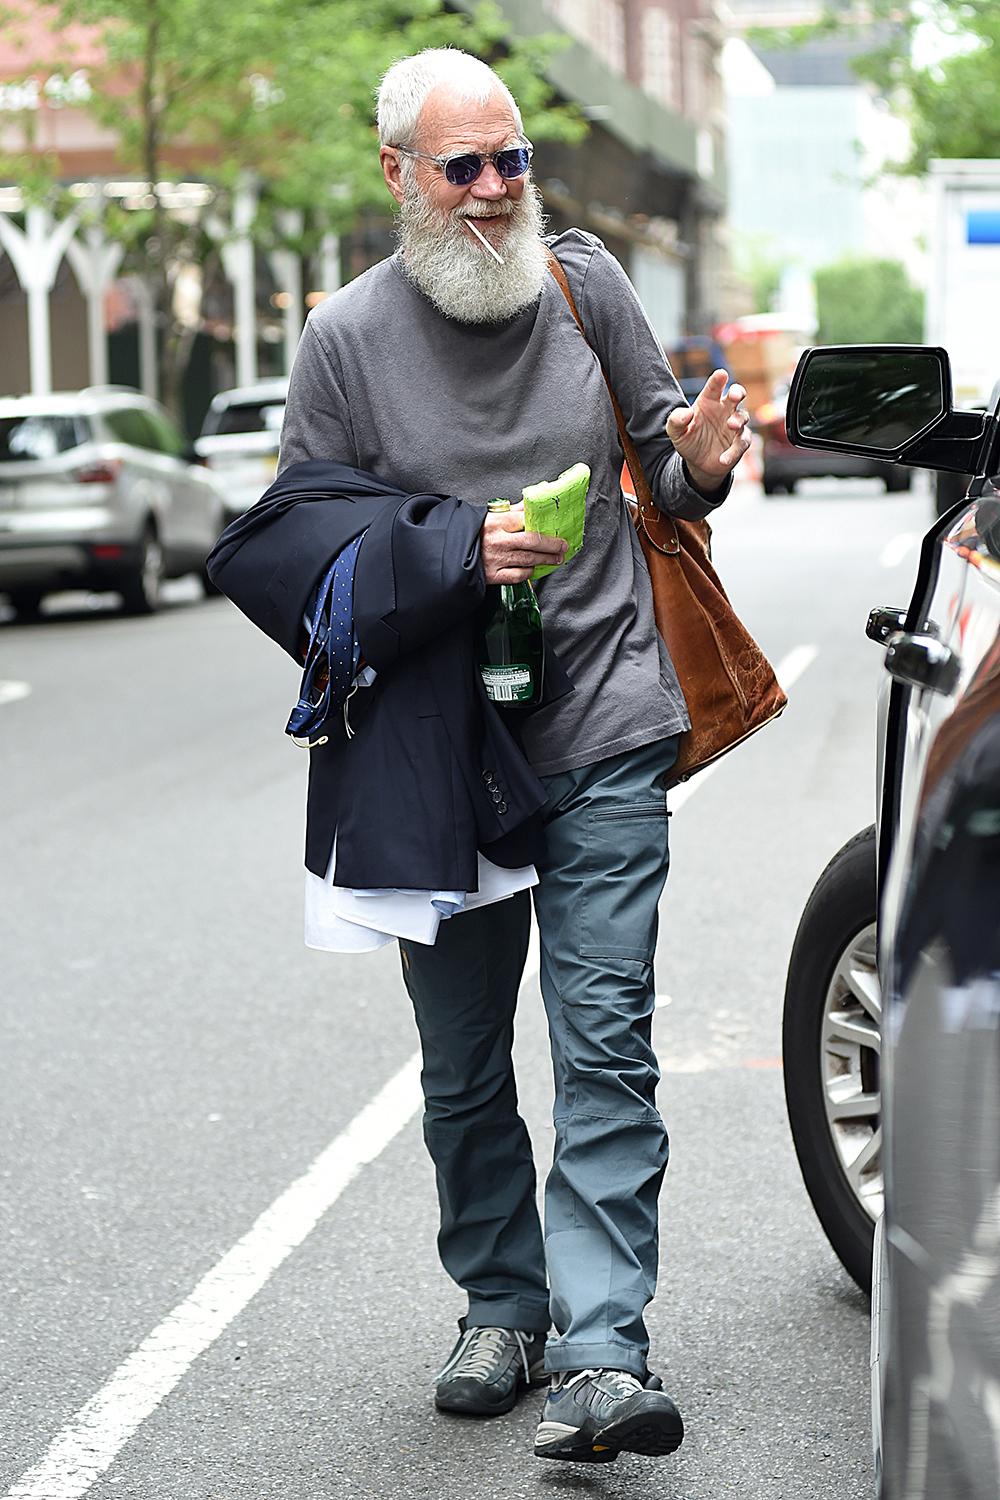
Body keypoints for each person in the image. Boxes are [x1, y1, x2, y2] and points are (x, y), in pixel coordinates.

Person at [278, 46, 750, 1465]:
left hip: (605, 718)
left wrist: (706, 460)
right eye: (462, 167)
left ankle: (605, 1351)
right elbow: (305, 557)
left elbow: (661, 463)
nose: (494, 192)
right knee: (466, 1059)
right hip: (444, 749)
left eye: (512, 162)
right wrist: (451, 553)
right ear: (399, 178)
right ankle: (501, 1300)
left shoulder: (581, 284)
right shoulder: (345, 343)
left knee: (604, 1044)